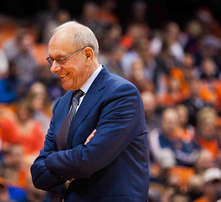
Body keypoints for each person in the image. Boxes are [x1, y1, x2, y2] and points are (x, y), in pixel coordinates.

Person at [31, 21, 149, 201]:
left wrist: (52, 159)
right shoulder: (61, 104)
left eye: (61, 59)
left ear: (87, 55)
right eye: (51, 60)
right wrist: (77, 157)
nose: (53, 68)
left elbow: (87, 161)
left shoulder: (121, 93)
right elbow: (37, 174)